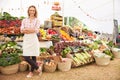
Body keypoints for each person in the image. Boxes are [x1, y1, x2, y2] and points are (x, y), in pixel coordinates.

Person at [20, 5, 41, 78]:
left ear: (35, 12)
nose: (32, 12)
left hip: (33, 39)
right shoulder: (24, 20)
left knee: (33, 55)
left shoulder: (37, 20)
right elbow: (22, 30)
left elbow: (36, 30)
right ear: (28, 11)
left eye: (33, 10)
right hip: (27, 39)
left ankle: (31, 72)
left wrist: (27, 30)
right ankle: (37, 67)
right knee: (26, 56)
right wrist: (31, 30)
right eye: (30, 10)